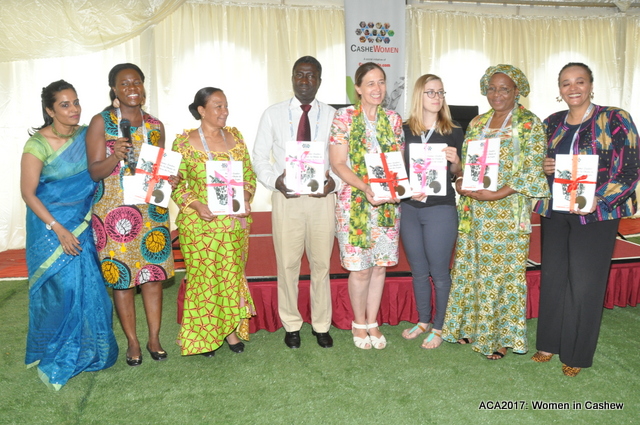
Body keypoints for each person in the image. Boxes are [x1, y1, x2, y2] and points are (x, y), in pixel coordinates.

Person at [532, 63, 640, 377]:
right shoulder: (551, 122)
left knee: (585, 283)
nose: (573, 88)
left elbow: (631, 168)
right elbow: (536, 163)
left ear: (591, 85)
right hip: (556, 210)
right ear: (559, 89)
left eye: (580, 81)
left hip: (596, 214)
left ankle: (577, 354)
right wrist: (544, 166)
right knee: (553, 277)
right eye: (566, 83)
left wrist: (600, 197)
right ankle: (548, 343)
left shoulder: (615, 118)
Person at [441, 64, 549, 359]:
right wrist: (460, 180)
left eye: (504, 89)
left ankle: (500, 337)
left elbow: (532, 170)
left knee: (502, 273)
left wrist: (497, 194)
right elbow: (466, 163)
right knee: (472, 266)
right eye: (491, 88)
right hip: (475, 210)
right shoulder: (478, 122)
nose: (496, 94)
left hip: (507, 212)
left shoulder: (529, 124)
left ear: (517, 91)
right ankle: (469, 325)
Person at [21, 80, 118, 389]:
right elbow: (28, 193)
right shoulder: (37, 144)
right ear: (50, 110)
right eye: (65, 104)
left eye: (75, 102)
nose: (74, 109)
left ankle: (92, 351)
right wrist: (58, 228)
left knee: (89, 286)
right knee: (62, 290)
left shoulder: (87, 134)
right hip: (50, 227)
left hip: (83, 222)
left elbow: (105, 163)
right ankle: (56, 351)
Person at [86, 63, 177, 366]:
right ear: (114, 89)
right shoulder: (102, 122)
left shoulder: (155, 125)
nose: (132, 88)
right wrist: (116, 155)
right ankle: (133, 342)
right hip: (114, 214)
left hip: (151, 211)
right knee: (123, 279)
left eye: (136, 82)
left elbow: (158, 171)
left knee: (152, 277)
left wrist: (170, 179)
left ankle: (154, 338)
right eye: (124, 84)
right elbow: (95, 171)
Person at [253, 56, 339, 349]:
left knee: (321, 265)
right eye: (299, 75)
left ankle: (321, 324)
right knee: (287, 265)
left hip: (321, 200)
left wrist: (334, 183)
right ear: (292, 78)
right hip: (286, 199)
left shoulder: (334, 116)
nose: (304, 81)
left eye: (311, 75)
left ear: (319, 81)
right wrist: (274, 181)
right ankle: (291, 324)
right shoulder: (273, 114)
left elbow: (344, 160)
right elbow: (259, 157)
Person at [171, 88, 256, 357]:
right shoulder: (183, 143)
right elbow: (175, 184)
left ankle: (229, 332)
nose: (224, 111)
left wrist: (246, 196)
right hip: (199, 225)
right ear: (201, 110)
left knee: (230, 277)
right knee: (204, 281)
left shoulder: (236, 138)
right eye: (218, 106)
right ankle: (203, 337)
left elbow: (249, 175)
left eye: (226, 106)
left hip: (233, 224)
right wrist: (197, 205)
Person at [329, 62, 404, 350]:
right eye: (370, 83)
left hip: (386, 205)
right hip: (355, 204)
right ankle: (359, 323)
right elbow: (338, 163)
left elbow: (396, 163)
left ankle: (373, 322)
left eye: (381, 82)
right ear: (358, 88)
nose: (377, 88)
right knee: (360, 269)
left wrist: (399, 187)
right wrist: (366, 187)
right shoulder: (344, 117)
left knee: (380, 267)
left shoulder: (393, 120)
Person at [400, 74, 463, 349]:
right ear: (419, 95)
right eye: (430, 92)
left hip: (440, 208)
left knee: (439, 272)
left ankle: (439, 327)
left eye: (440, 92)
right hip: (409, 208)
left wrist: (456, 161)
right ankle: (423, 320)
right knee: (418, 271)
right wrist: (405, 189)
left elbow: (459, 173)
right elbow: (396, 169)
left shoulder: (454, 130)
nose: (437, 97)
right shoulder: (403, 130)